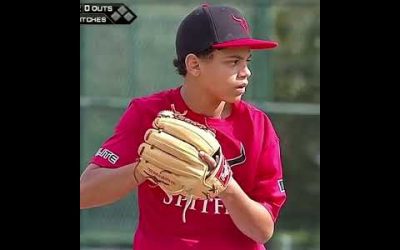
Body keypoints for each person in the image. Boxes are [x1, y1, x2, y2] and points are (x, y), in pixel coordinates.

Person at [80, 3, 287, 250]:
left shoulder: (257, 126)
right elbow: (85, 193)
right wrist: (142, 169)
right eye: (233, 62)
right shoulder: (149, 115)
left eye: (247, 61)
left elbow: (263, 231)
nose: (246, 72)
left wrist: (227, 186)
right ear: (194, 65)